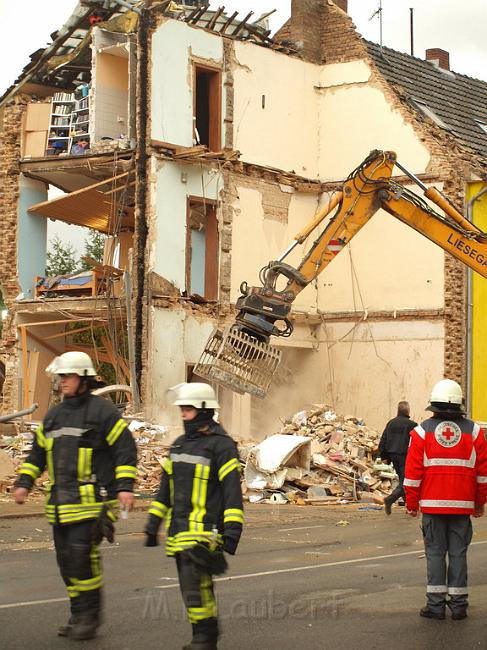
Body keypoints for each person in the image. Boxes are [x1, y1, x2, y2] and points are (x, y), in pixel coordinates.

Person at [13, 351, 137, 640]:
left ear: (83, 378)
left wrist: (125, 487)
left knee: (83, 559)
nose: (62, 382)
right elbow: (37, 454)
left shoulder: (103, 412)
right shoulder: (55, 415)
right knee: (67, 563)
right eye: (61, 377)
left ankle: (89, 617)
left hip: (92, 503)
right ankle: (77, 613)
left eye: (67, 376)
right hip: (60, 505)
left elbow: (125, 450)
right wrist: (23, 482)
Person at [144, 383, 243, 650]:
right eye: (182, 408)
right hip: (179, 531)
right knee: (194, 588)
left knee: (194, 585)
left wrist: (231, 534)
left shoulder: (221, 446)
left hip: (204, 531)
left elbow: (232, 492)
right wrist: (153, 523)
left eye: (187, 408)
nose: (183, 413)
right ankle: (205, 635)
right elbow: (166, 489)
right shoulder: (179, 446)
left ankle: (204, 639)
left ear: (202, 410)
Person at [404, 379, 487, 621]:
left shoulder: (420, 432)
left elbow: (412, 475)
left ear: (434, 404)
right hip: (461, 507)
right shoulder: (473, 432)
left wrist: (411, 504)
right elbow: (482, 473)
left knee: (435, 554)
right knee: (459, 554)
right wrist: (479, 502)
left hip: (432, 506)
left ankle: (435, 606)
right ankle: (459, 607)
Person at [378, 401, 417, 515]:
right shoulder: (412, 425)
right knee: (406, 482)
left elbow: (383, 440)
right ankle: (390, 499)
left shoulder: (391, 423)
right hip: (406, 457)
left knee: (402, 480)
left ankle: (408, 506)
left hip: (393, 456)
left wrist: (384, 456)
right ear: (408, 411)